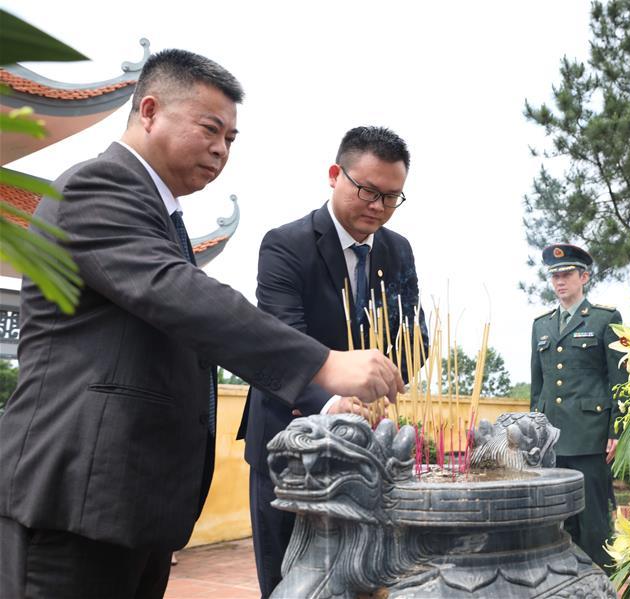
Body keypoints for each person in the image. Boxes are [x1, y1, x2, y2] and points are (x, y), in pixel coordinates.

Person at [0, 49, 402, 599]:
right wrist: (324, 362)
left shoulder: (163, 215)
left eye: (231, 139)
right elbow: (182, 296)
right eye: (210, 128)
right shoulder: (95, 187)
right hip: (74, 502)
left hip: (127, 507)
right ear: (149, 111)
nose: (220, 149)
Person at [237, 125, 426, 597]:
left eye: (391, 197)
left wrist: (387, 382)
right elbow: (281, 342)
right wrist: (333, 398)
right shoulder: (286, 244)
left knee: (368, 579)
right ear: (334, 175)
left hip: (369, 447)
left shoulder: (397, 249)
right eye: (366, 190)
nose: (377, 206)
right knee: (289, 581)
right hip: (291, 437)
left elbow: (414, 335)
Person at [529, 243, 627, 571]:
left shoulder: (605, 319)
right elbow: (538, 386)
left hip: (591, 436)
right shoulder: (541, 325)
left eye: (567, 274)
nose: (559, 281)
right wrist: (534, 431)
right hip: (552, 439)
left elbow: (621, 379)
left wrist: (617, 429)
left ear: (583, 276)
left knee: (594, 521)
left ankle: (601, 582)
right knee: (557, 520)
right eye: (554, 275)